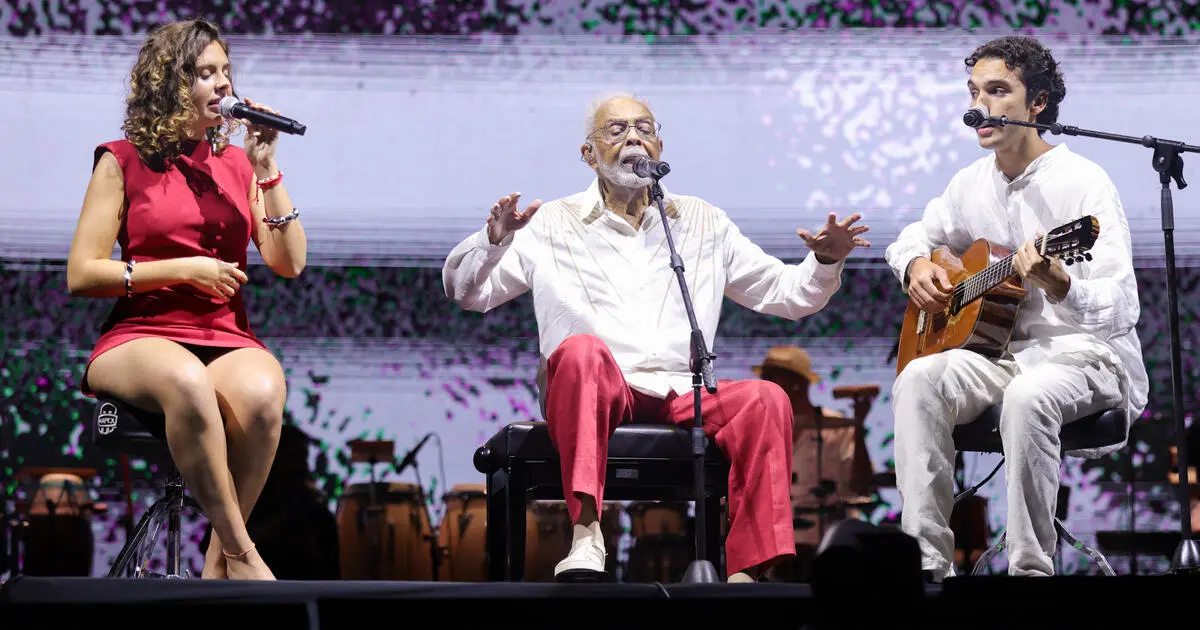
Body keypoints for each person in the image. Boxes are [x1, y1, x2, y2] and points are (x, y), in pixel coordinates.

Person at [442, 92, 870, 583]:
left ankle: (749, 571)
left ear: (660, 145)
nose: (633, 139)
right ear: (588, 154)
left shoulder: (703, 221)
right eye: (616, 130)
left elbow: (788, 295)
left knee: (766, 398)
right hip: (594, 387)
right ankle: (586, 535)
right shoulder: (550, 224)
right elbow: (468, 294)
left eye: (643, 128)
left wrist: (827, 260)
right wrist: (493, 243)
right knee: (581, 351)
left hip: (680, 390)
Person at [884, 35, 1148, 580]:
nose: (977, 106)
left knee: (1029, 396)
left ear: (1038, 104)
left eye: (997, 91)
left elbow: (1122, 309)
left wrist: (1061, 286)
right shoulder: (969, 184)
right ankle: (928, 568)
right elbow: (914, 235)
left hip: (1088, 357)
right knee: (918, 380)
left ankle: (1030, 572)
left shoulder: (1084, 182)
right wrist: (915, 264)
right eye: (973, 91)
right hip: (1004, 356)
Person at [66, 18, 307, 580]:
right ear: (170, 85)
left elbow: (289, 262)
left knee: (265, 390)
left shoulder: (238, 164)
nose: (224, 85)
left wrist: (267, 169)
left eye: (226, 71)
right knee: (187, 383)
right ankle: (243, 555)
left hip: (224, 334)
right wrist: (184, 269)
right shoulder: (122, 159)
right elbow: (82, 272)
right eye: (205, 73)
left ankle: (216, 565)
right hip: (140, 334)